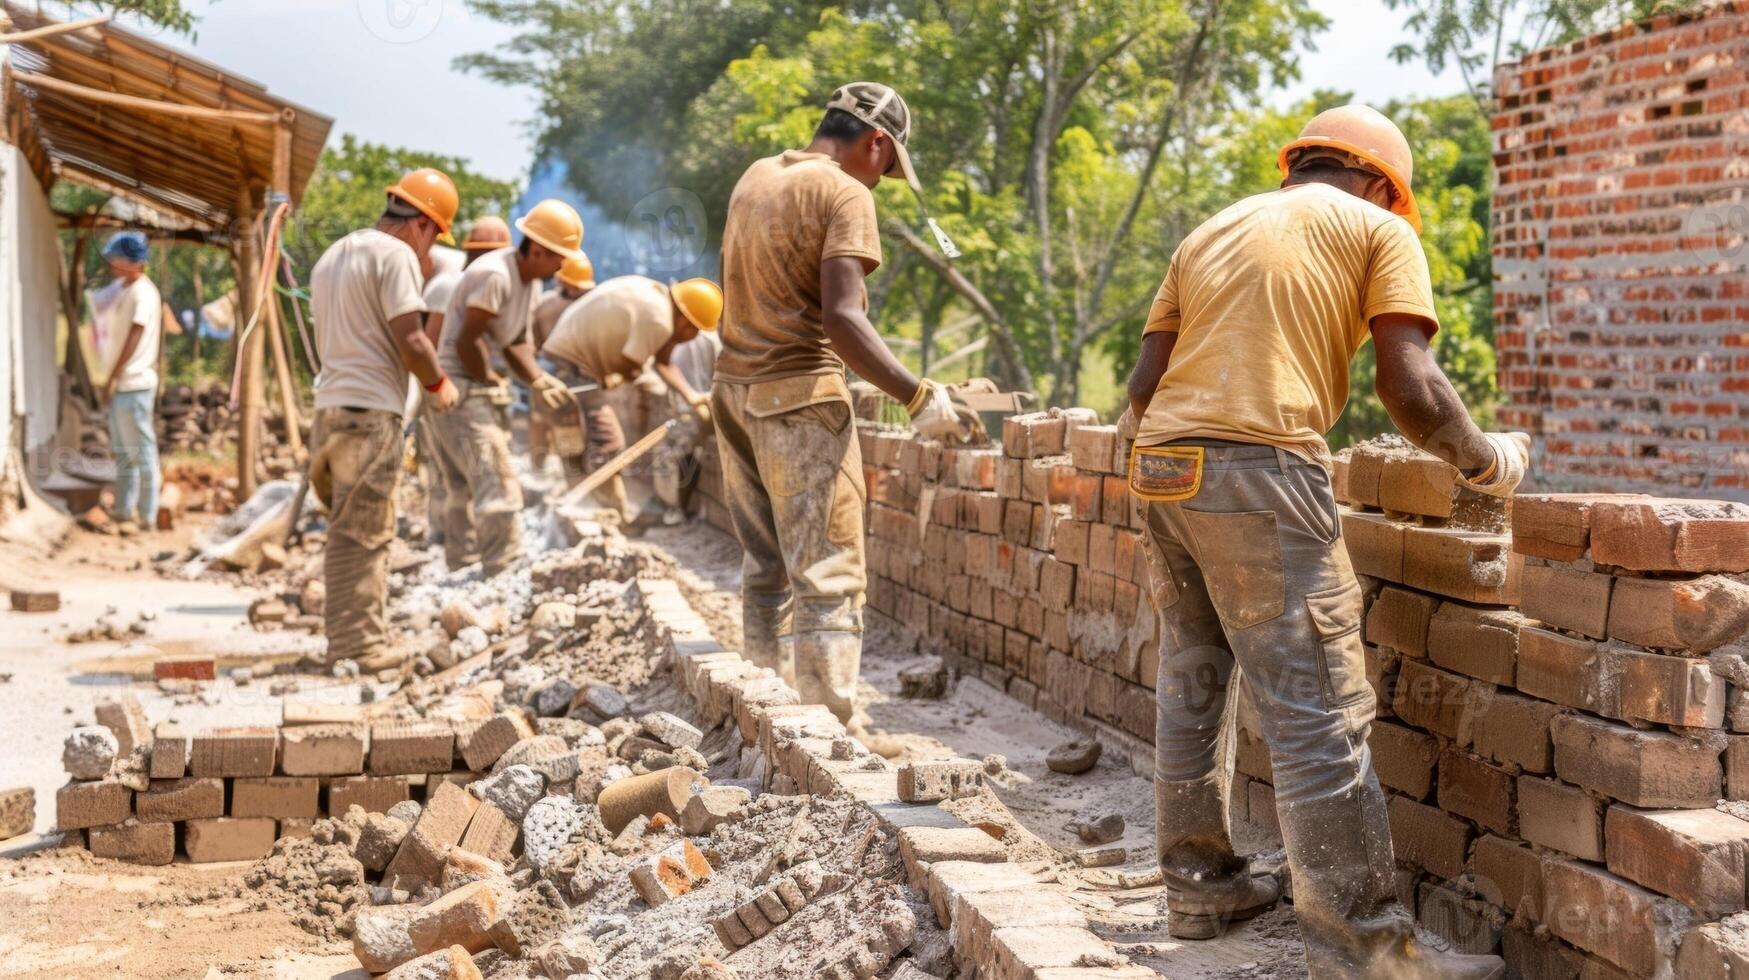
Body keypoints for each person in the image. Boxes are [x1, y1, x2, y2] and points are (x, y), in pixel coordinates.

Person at [1122, 104, 1521, 979]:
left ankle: (1200, 887)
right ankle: (1366, 954)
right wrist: (1486, 461)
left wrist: (1186, 479)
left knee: (1193, 679)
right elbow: (1408, 387)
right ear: (1382, 184)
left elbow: (1142, 385)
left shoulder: (1213, 227)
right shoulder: (1375, 226)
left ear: (1297, 164)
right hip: (1258, 469)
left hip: (1161, 467)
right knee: (1318, 716)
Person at [711, 82, 967, 724]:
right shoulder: (844, 192)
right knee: (826, 571)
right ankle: (830, 728)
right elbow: (843, 319)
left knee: (767, 564)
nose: (882, 180)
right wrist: (917, 395)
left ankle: (763, 710)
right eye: (888, 165)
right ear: (876, 142)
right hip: (799, 401)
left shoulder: (758, 175)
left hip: (733, 393)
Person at [307, 167, 461, 669]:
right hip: (370, 413)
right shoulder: (395, 255)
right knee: (366, 531)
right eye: (434, 235)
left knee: (345, 529)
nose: (429, 249)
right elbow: (412, 338)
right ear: (421, 223)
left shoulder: (335, 253)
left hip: (330, 410)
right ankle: (359, 646)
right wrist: (438, 385)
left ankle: (346, 638)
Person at [430, 198, 585, 576]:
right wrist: (490, 378)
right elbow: (470, 341)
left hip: (469, 385)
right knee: (496, 482)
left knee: (465, 484)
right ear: (537, 248)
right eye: (558, 256)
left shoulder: (529, 283)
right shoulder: (495, 275)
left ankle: (463, 569)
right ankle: (501, 570)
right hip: (460, 388)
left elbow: (515, 342)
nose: (562, 266)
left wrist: (537, 378)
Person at [541, 275, 721, 519]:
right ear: (686, 322)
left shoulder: (658, 299)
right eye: (696, 330)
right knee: (607, 443)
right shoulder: (658, 320)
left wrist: (691, 396)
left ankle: (580, 513)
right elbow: (629, 366)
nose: (693, 337)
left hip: (559, 360)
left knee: (575, 442)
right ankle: (611, 518)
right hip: (573, 367)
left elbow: (663, 362)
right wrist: (630, 376)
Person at [417, 216, 512, 544]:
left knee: (456, 474)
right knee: (460, 473)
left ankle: (457, 546)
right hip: (445, 390)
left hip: (448, 389)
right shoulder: (452, 285)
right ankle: (447, 535)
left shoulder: (478, 284)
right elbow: (431, 344)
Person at [91, 232, 165, 536]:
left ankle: (147, 516)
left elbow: (134, 337)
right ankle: (124, 511)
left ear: (133, 263)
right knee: (124, 452)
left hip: (135, 383)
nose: (111, 264)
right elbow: (96, 304)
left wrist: (110, 376)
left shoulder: (144, 293)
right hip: (124, 385)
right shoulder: (124, 287)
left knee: (142, 452)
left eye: (116, 259)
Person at [528, 252, 597, 475]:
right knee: (543, 418)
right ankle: (539, 467)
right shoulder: (549, 304)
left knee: (570, 423)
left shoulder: (584, 305)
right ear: (563, 281)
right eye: (574, 286)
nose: (577, 291)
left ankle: (570, 471)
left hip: (575, 369)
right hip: (550, 367)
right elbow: (535, 341)